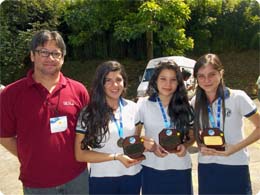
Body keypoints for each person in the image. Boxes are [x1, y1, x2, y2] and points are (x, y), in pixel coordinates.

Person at [0, 30, 90, 194]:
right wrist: (30, 157)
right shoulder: (11, 94)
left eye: (56, 53)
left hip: (77, 178)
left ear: (62, 58)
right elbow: (4, 137)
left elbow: (88, 131)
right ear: (32, 55)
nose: (50, 58)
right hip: (37, 184)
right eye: (44, 52)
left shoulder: (79, 90)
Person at [191, 53, 260, 194]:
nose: (207, 80)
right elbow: (195, 131)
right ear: (196, 78)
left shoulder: (238, 97)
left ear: (221, 73)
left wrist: (234, 148)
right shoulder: (195, 102)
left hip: (235, 165)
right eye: (201, 76)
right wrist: (200, 145)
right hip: (207, 167)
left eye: (212, 74)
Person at [75, 61, 142, 195]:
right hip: (102, 179)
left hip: (132, 176)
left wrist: (146, 144)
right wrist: (116, 157)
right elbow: (80, 154)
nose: (115, 85)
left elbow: (136, 141)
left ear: (124, 83)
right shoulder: (88, 113)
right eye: (108, 80)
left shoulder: (133, 108)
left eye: (118, 80)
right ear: (101, 84)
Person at [135, 60, 195, 194]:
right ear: (155, 80)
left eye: (173, 80)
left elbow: (192, 136)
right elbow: (135, 137)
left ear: (178, 82)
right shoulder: (143, 104)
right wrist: (148, 144)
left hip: (180, 168)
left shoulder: (186, 105)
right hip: (152, 169)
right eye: (163, 79)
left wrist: (185, 146)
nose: (168, 84)